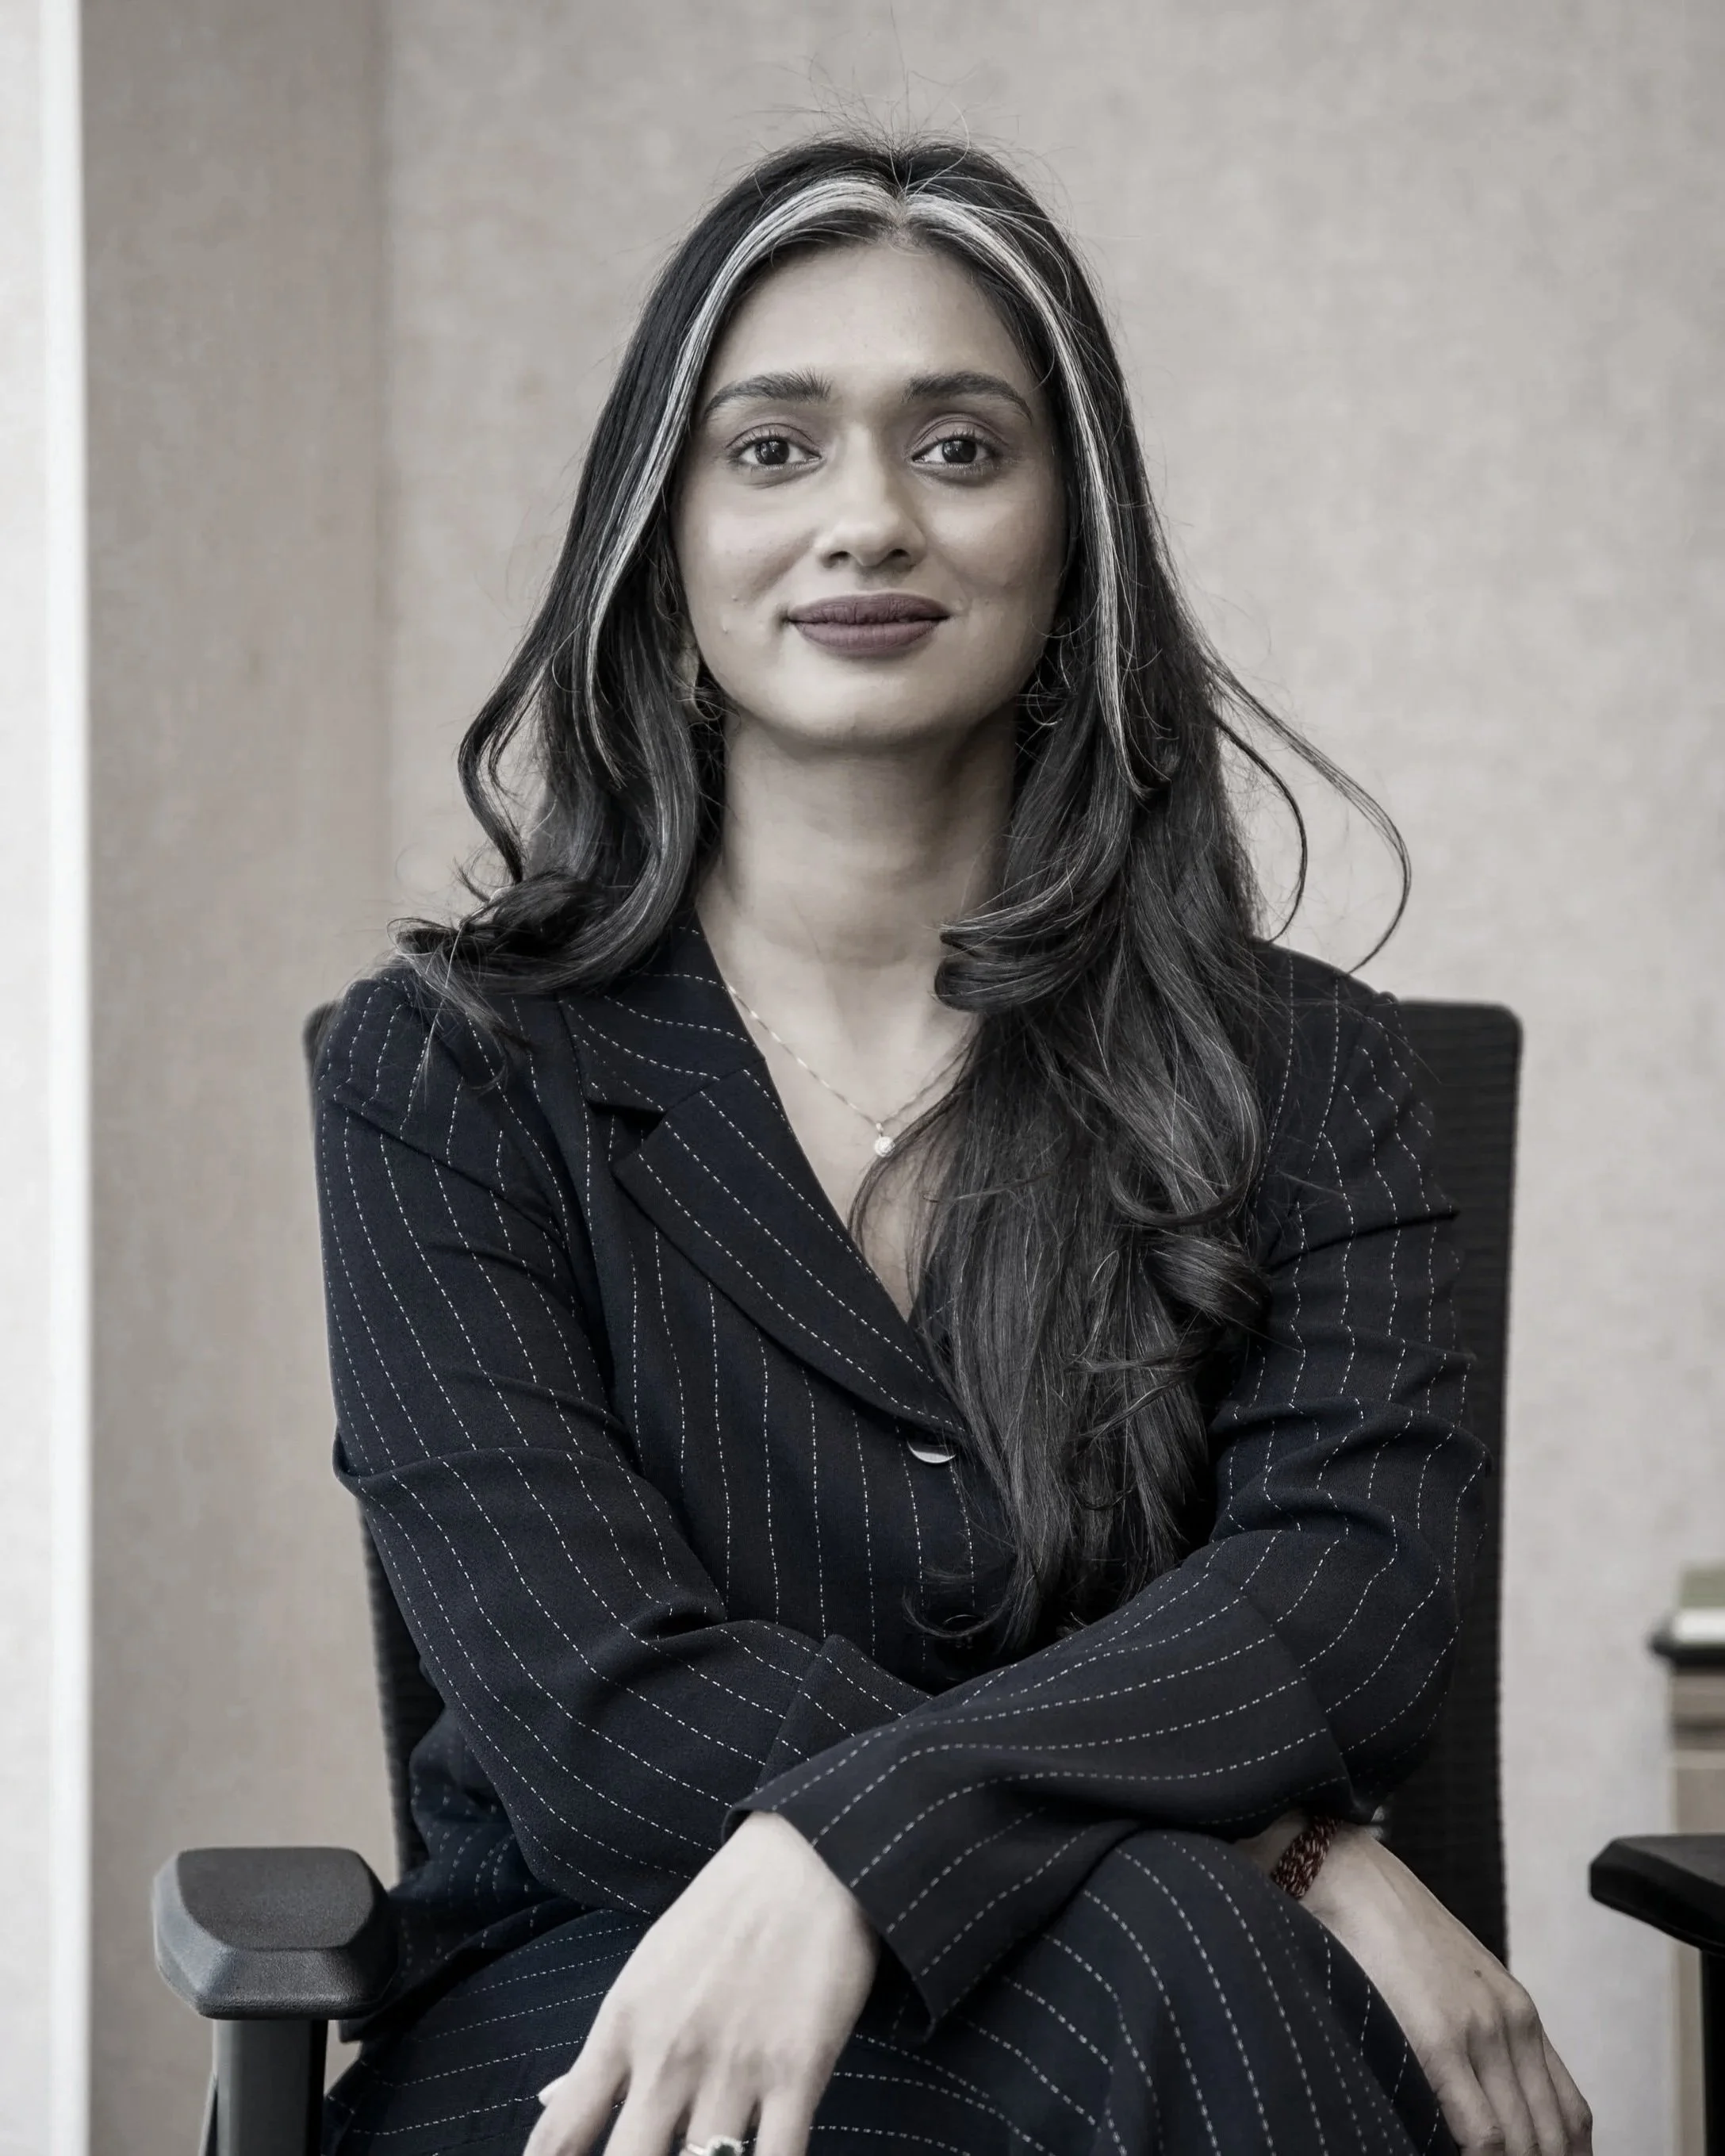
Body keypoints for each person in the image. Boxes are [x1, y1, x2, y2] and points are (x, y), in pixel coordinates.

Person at [313, 136, 1591, 2156]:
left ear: (1073, 537)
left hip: (1164, 1985)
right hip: (618, 1981)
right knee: (1189, 1939)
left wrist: (876, 1834)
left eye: (964, 448)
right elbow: (583, 1705)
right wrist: (1288, 1844)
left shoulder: (1308, 1065)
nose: (870, 519)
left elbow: (1344, 1598)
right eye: (773, 450)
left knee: (1170, 1954)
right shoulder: (445, 1072)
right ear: (663, 539)